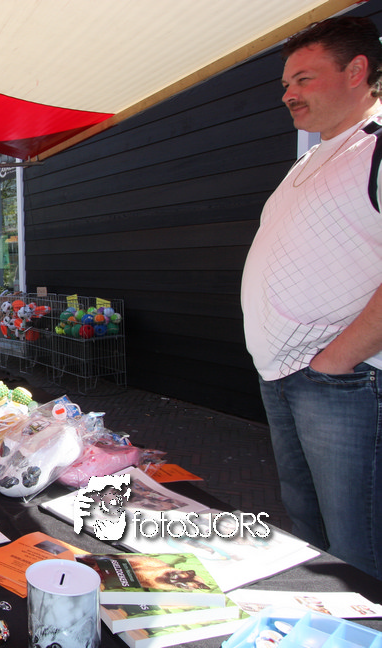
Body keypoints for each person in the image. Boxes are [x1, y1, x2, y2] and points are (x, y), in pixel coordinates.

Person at [241, 16, 382, 579]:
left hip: (343, 382)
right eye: (285, 84)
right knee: (311, 539)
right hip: (285, 377)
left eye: (303, 79)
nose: (288, 94)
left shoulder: (376, 147)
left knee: (357, 546)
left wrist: (336, 361)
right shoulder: (311, 160)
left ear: (357, 71)